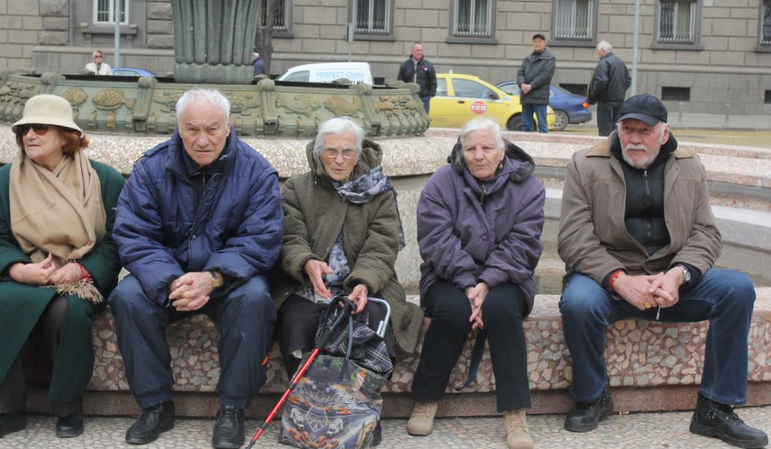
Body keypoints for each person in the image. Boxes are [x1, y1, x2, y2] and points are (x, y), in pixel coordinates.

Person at [557, 94, 768, 448]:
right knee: (577, 301)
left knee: (738, 288)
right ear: (617, 129)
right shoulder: (585, 164)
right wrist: (618, 279)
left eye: (645, 130)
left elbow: (706, 232)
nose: (635, 138)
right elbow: (572, 238)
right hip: (609, 280)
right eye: (627, 129)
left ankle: (715, 408)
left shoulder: (690, 165)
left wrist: (680, 274)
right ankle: (592, 396)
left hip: (671, 280)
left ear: (665, 131)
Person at [109, 88, 283, 448]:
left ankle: (232, 408)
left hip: (227, 279)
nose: (202, 140)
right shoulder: (150, 168)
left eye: (212, 129)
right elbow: (134, 235)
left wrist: (213, 278)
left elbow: (261, 239)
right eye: (192, 129)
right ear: (178, 128)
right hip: (170, 278)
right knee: (127, 296)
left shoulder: (257, 171)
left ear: (229, 127)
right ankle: (156, 405)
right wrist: (174, 281)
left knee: (255, 299)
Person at [0, 94, 124, 441]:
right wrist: (18, 269)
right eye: (24, 129)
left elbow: (115, 242)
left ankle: (68, 406)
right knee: (3, 301)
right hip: (24, 271)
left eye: (40, 128)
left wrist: (82, 270)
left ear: (65, 136)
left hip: (79, 277)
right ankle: (6, 411)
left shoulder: (105, 180)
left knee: (65, 311)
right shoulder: (3, 180)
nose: (29, 136)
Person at [408, 117, 545, 449]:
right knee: (453, 311)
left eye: (486, 148)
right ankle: (426, 400)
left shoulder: (529, 188)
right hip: (448, 274)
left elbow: (524, 245)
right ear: (461, 151)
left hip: (509, 276)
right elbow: (435, 239)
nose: (478, 155)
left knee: (501, 310)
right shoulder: (442, 181)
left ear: (502, 152)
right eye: (470, 148)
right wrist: (469, 282)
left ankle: (515, 412)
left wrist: (488, 281)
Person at [273, 115, 424, 385]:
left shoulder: (379, 192)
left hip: (365, 285)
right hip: (308, 284)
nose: (339, 159)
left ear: (358, 154)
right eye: (331, 151)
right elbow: (291, 237)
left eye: (347, 151)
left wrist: (364, 282)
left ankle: (359, 399)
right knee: (296, 318)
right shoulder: (297, 188)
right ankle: (307, 397)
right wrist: (306, 262)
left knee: (375, 317)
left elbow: (382, 245)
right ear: (319, 153)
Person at [587, 40, 631, 137]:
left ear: (602, 50)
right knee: (616, 126)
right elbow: (628, 81)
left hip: (605, 99)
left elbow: (601, 81)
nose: (597, 54)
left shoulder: (603, 63)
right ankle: (614, 146)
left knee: (604, 128)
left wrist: (593, 95)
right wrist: (620, 90)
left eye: (598, 51)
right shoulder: (620, 62)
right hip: (619, 99)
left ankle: (605, 149)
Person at [516, 33, 555, 133]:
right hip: (526, 97)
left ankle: (544, 146)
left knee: (542, 126)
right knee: (526, 126)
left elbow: (546, 76)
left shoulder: (549, 58)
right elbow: (520, 72)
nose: (537, 44)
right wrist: (522, 84)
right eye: (535, 41)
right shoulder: (527, 58)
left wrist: (531, 86)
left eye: (540, 42)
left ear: (544, 44)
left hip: (539, 98)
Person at [397, 42, 437, 114]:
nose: (419, 52)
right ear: (412, 52)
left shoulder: (428, 65)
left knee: (424, 120)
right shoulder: (404, 65)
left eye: (421, 50)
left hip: (423, 98)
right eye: (417, 50)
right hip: (408, 98)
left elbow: (433, 81)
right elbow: (400, 82)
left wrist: (431, 95)